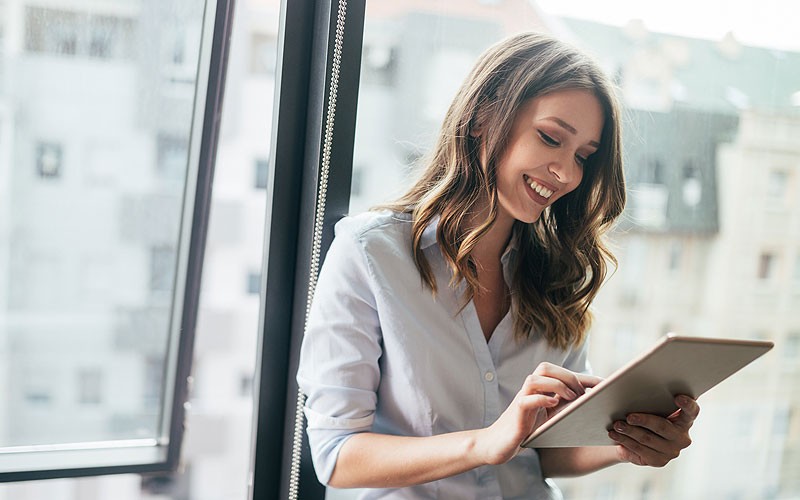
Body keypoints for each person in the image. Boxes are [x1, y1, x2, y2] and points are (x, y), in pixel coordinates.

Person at [297, 32, 699, 499]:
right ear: (483, 116)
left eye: (583, 157)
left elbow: (544, 449)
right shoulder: (369, 254)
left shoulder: (559, 276)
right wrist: (485, 443)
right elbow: (337, 455)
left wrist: (627, 443)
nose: (567, 174)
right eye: (551, 138)